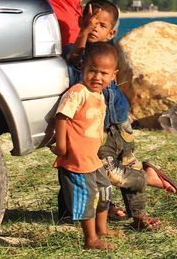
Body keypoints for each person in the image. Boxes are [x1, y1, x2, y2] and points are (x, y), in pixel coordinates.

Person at [62, 0, 177, 231]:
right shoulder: (80, 53)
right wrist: (83, 32)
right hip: (97, 131)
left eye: (101, 25)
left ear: (112, 31)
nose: (94, 27)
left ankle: (139, 217)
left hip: (120, 124)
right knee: (102, 172)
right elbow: (74, 59)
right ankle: (146, 177)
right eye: (90, 22)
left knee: (128, 165)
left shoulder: (111, 52)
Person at [50, 42, 122, 250]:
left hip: (94, 158)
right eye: (92, 70)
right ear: (82, 67)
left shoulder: (99, 95)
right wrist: (62, 147)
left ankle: (102, 229)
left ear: (113, 75)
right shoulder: (78, 92)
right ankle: (90, 239)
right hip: (77, 160)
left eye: (104, 73)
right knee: (87, 197)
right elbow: (62, 116)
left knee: (105, 191)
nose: (97, 77)